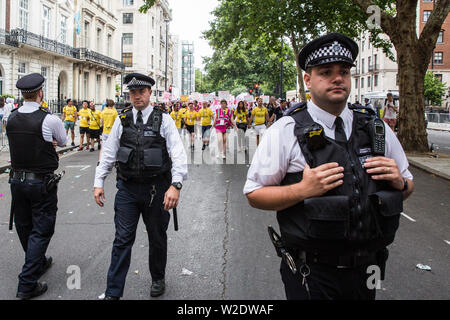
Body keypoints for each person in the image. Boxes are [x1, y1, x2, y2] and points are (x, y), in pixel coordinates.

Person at [243, 33, 414, 300]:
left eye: (344, 72)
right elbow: (254, 193)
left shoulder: (375, 129)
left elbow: (406, 184)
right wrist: (302, 189)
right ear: (308, 80)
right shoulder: (286, 130)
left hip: (369, 269)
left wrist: (400, 183)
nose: (337, 78)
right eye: (326, 72)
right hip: (312, 272)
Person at [93, 73, 188, 300]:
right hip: (127, 190)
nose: (137, 96)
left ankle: (158, 277)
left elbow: (178, 154)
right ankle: (113, 293)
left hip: (157, 190)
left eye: (141, 92)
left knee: (157, 237)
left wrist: (175, 185)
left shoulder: (163, 120)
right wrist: (99, 182)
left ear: (149, 93)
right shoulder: (122, 118)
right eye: (133, 93)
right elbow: (108, 153)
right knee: (122, 239)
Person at [7, 73, 66, 299]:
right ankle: (27, 283)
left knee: (24, 225)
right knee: (41, 230)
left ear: (23, 94)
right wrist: (49, 141)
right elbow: (62, 141)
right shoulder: (48, 119)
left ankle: (38, 261)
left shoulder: (11, 118)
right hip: (40, 182)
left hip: (16, 181)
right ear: (41, 92)